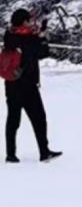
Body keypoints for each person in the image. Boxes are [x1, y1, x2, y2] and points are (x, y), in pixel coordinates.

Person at [1, 9, 59, 163]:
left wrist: (36, 36)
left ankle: (10, 154)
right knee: (39, 118)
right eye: (29, 20)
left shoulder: (9, 36)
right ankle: (44, 151)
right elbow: (42, 53)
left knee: (13, 120)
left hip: (11, 83)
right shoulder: (28, 38)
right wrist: (42, 38)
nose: (31, 22)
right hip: (28, 85)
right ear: (24, 21)